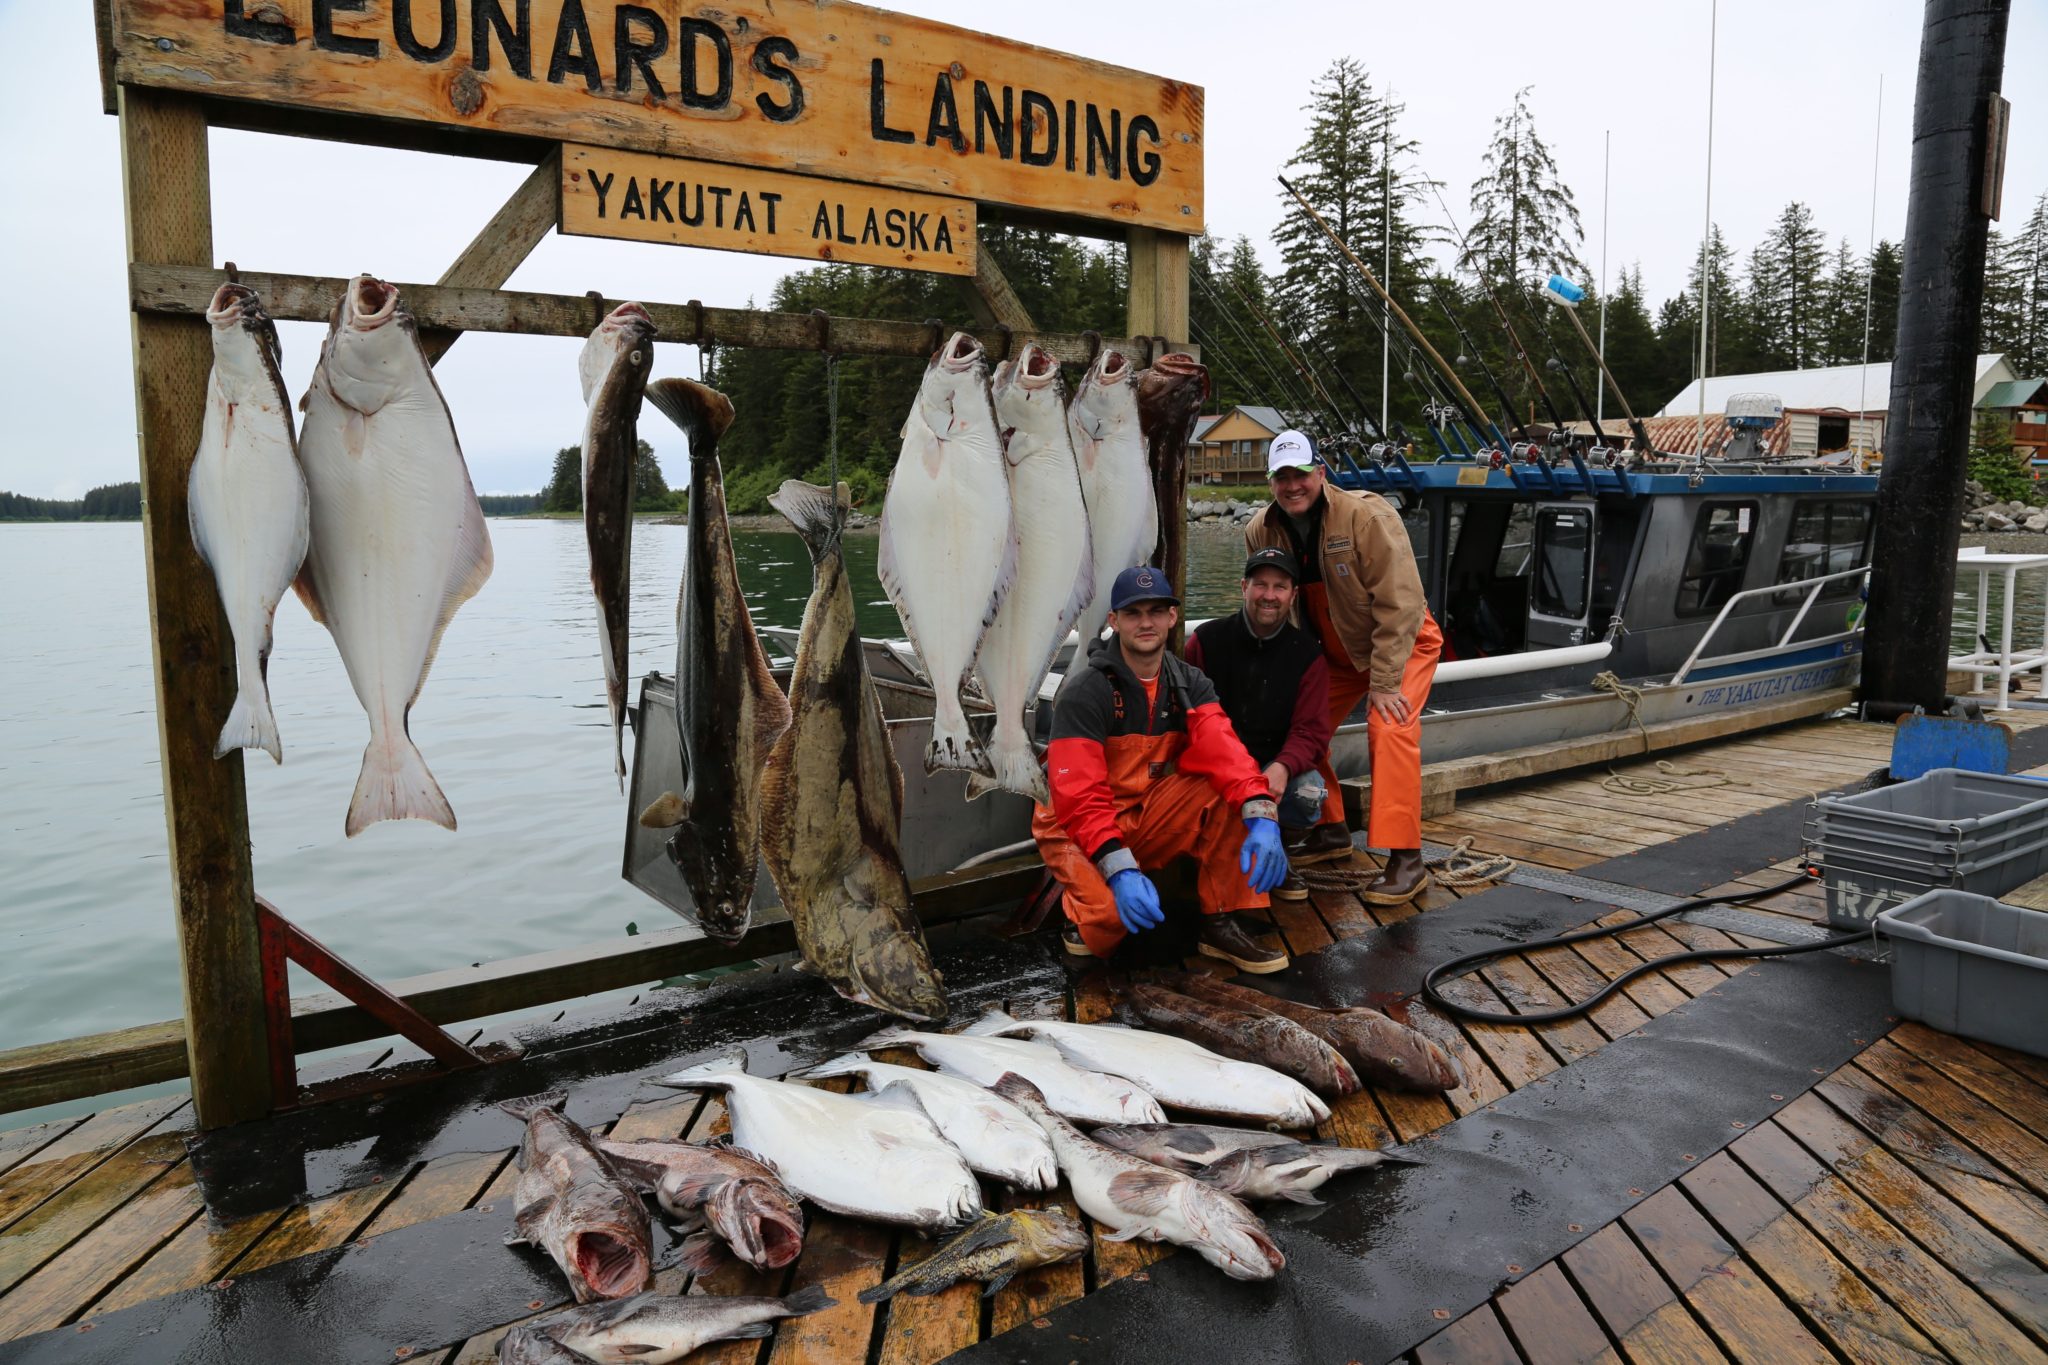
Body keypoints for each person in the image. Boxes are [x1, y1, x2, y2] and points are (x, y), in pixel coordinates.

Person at [1033, 565, 1292, 972]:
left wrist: (1262, 811)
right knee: (1109, 925)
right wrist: (1118, 870)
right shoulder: (1085, 691)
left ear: (1173, 618)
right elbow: (1078, 797)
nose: (1146, 622)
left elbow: (1225, 750)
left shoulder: (1190, 683)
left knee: (1237, 793)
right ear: (1114, 621)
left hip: (1143, 809)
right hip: (1074, 824)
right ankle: (1081, 904)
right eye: (1133, 613)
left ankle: (1220, 921)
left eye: (1156, 611)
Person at [1245, 430, 1443, 905]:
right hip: (1333, 651)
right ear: (1271, 480)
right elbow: (1270, 604)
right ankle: (1331, 829)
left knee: (1389, 727)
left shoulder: (1366, 515)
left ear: (1321, 472)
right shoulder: (1259, 530)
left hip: (1401, 642)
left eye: (1301, 473)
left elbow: (1401, 602)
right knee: (1295, 725)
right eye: (1281, 476)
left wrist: (1384, 682)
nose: (1292, 485)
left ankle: (1407, 858)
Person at [1183, 546, 1333, 904]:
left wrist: (1281, 768)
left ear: (1293, 595)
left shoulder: (1308, 654)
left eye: (1280, 586)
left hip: (1272, 764)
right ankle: (1211, 853)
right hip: (1219, 765)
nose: (1269, 595)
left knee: (1309, 793)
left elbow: (1311, 731)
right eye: (1260, 584)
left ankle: (1276, 847)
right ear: (1243, 587)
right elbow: (1187, 718)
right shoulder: (1205, 640)